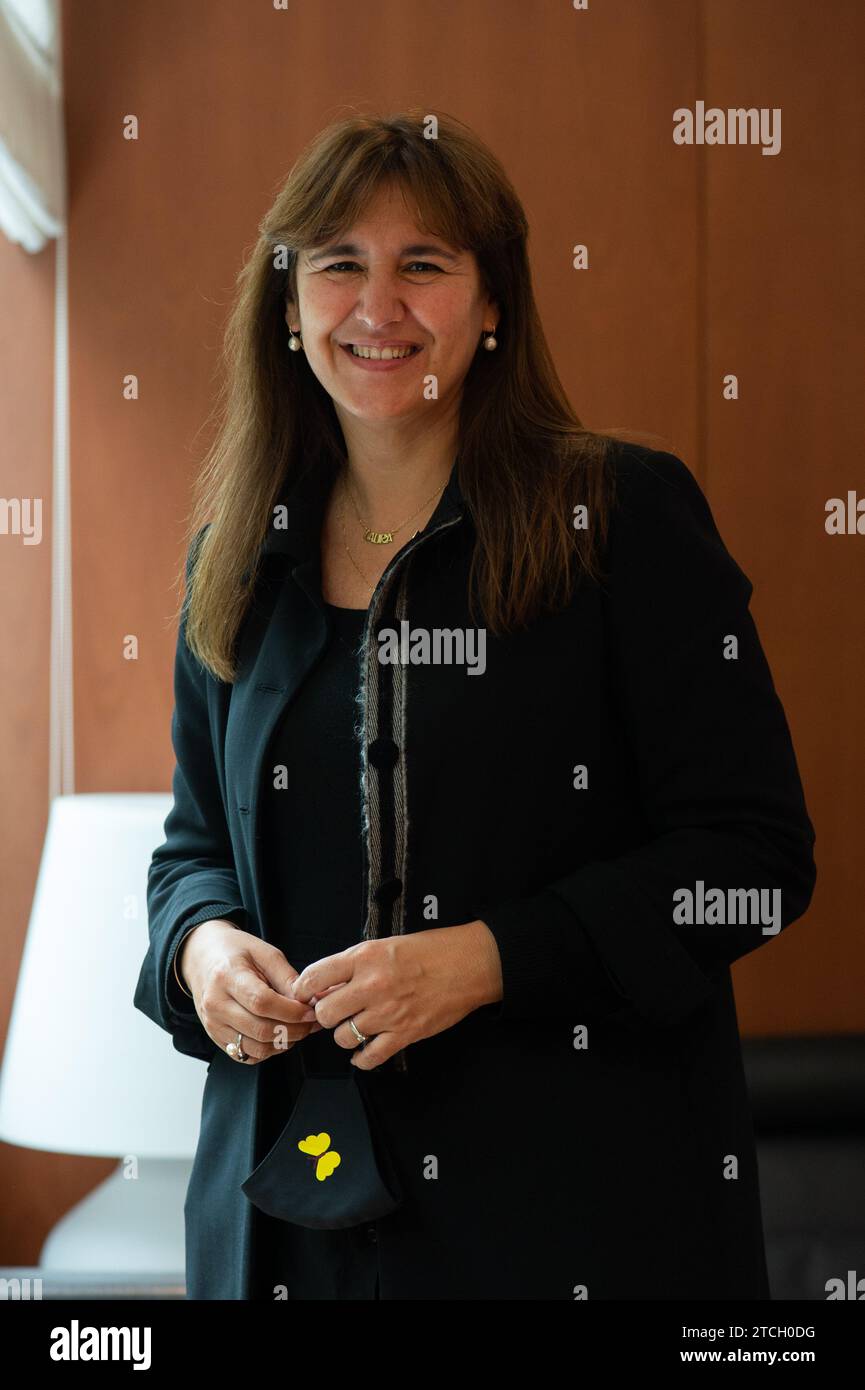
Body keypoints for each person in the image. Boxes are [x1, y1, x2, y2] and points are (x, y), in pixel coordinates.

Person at [134, 109, 816, 1300]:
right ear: (288, 306)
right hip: (289, 1219)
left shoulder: (625, 518)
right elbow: (193, 846)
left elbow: (755, 857)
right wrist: (199, 949)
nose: (376, 304)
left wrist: (491, 958)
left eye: (425, 266)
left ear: (492, 303)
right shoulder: (235, 554)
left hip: (569, 1222)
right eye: (338, 263)